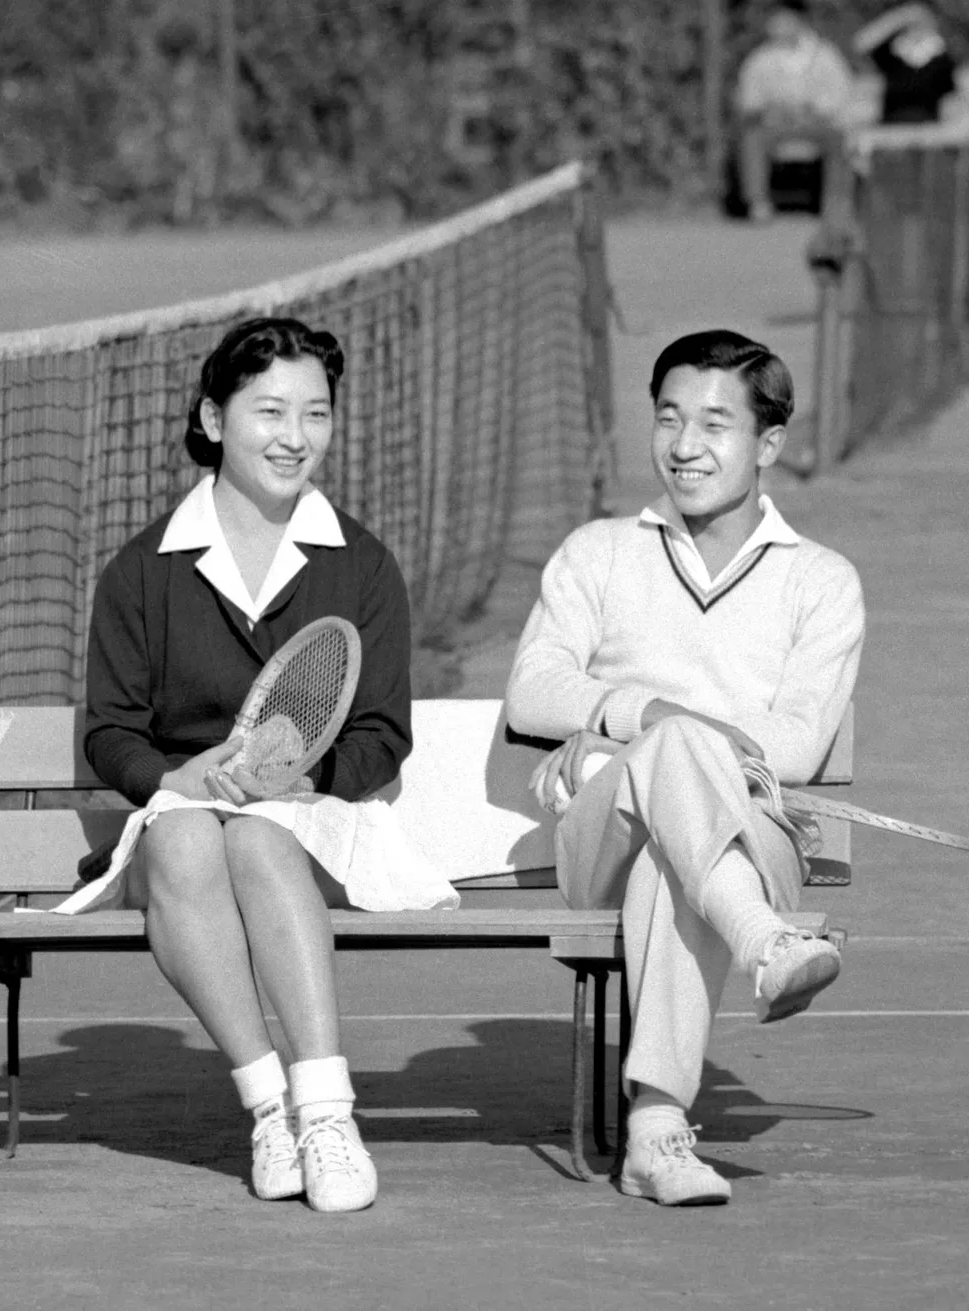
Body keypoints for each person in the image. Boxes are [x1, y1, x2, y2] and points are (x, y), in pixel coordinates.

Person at [65, 316, 457, 1211]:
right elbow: (113, 732)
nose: (295, 436)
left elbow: (381, 733)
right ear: (213, 418)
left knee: (258, 838)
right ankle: (272, 1110)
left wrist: (301, 780)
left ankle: (328, 1113)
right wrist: (174, 779)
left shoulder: (363, 564)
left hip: (316, 821)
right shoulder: (141, 571)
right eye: (270, 411)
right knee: (190, 839)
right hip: (179, 824)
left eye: (315, 413)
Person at [505, 330, 864, 1206]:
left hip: (754, 840)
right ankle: (764, 944)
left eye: (714, 423)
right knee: (671, 757)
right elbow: (532, 691)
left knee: (678, 852)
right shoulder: (596, 551)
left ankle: (656, 1134)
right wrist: (651, 720)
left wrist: (634, 734)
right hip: (601, 844)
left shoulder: (823, 581)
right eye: (668, 419)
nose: (685, 445)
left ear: (768, 443)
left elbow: (795, 745)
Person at [734, 0, 855, 222]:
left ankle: (835, 204)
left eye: (784, 21)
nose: (778, 27)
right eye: (775, 22)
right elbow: (749, 101)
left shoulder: (824, 55)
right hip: (776, 126)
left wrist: (814, 109)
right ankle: (758, 203)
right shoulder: (760, 59)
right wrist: (770, 110)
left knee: (838, 140)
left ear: (799, 22)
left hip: (816, 125)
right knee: (753, 139)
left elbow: (840, 94)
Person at [853, 3, 957, 125]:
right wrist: (898, 18)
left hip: (923, 125)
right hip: (886, 120)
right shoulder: (894, 51)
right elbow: (860, 43)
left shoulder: (943, 58)